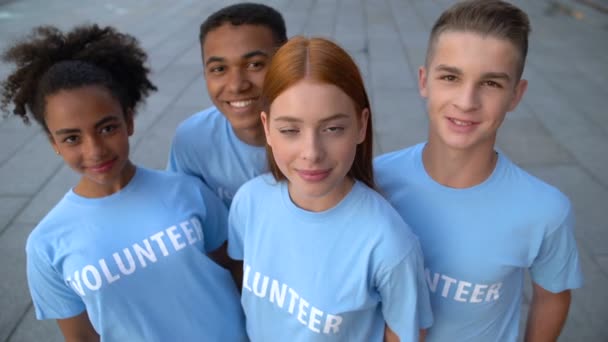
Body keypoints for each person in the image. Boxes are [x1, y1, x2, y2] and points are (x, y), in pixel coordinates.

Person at [0, 24, 246, 341]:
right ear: (54, 144)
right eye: (72, 138)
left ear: (128, 120)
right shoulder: (46, 245)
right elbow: (82, 337)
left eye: (107, 128)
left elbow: (238, 271)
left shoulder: (187, 191)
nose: (95, 149)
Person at [374, 1, 584, 341]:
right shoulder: (376, 180)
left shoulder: (544, 210)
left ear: (516, 95)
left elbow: (552, 296)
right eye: (450, 77)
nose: (467, 101)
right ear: (425, 81)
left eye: (491, 84)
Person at [227, 36, 433, 341]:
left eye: (333, 129)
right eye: (290, 130)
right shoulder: (249, 202)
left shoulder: (387, 242)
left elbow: (404, 333)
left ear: (361, 125)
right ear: (267, 127)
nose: (312, 152)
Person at [167, 3, 287, 206]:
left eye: (254, 64)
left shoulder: (322, 136)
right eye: (219, 68)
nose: (236, 85)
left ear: (286, 61)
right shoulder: (192, 139)